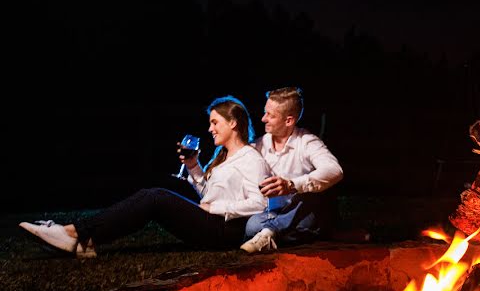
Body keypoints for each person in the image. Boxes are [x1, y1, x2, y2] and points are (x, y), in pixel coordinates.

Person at [20, 96, 270, 257]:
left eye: (215, 122)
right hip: (211, 221)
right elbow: (207, 195)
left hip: (224, 232)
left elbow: (260, 203)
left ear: (234, 123)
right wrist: (194, 167)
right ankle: (82, 239)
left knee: (156, 197)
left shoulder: (251, 158)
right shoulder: (223, 157)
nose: (209, 128)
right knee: (153, 197)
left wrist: (216, 206)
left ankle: (74, 233)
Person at [239, 86, 344, 253]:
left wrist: (291, 184)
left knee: (311, 199)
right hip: (274, 213)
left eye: (270, 115)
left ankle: (271, 233)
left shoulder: (307, 141)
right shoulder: (259, 145)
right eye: (265, 112)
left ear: (289, 120)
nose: (263, 119)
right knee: (253, 226)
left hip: (303, 210)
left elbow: (334, 170)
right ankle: (292, 234)